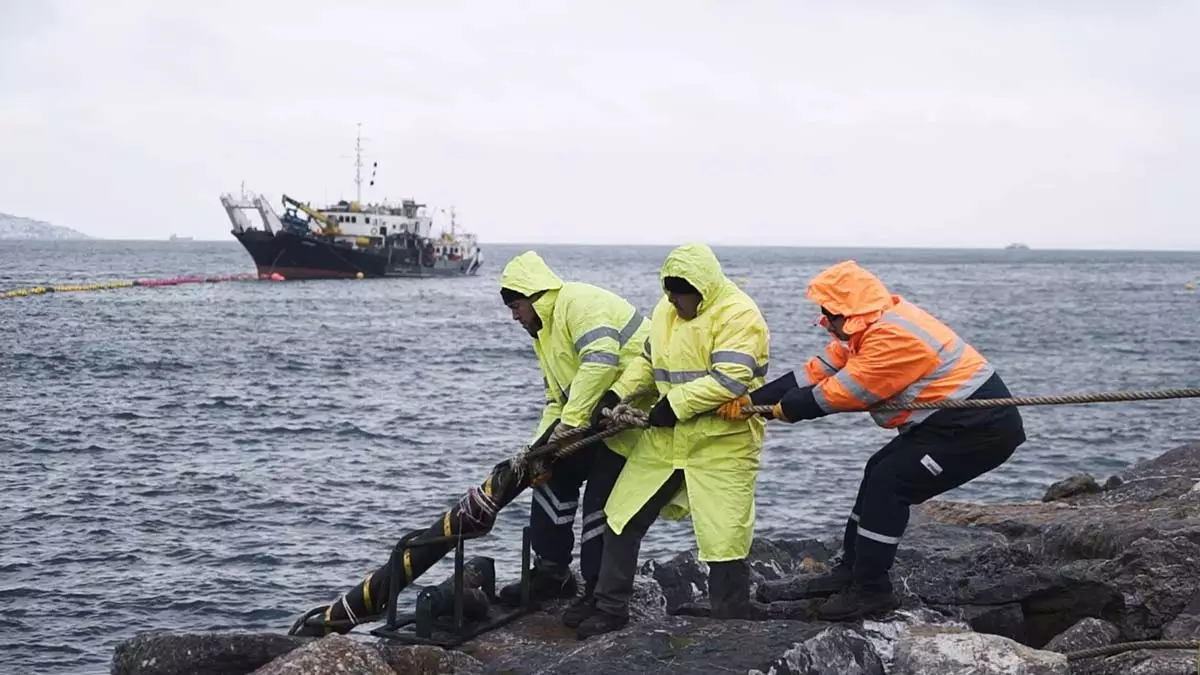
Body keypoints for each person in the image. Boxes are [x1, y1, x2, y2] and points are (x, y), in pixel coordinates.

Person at [718, 259, 1026, 622]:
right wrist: (754, 400)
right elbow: (815, 372)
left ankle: (872, 589)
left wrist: (776, 411)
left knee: (891, 483)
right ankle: (852, 570)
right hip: (948, 423)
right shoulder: (869, 324)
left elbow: (838, 394)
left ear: (844, 313)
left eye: (826, 315)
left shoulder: (891, 337)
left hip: (980, 427)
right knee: (878, 469)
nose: (824, 323)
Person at [574, 243, 770, 638]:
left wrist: (674, 405)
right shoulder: (665, 312)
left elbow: (732, 378)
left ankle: (730, 622)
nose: (674, 301)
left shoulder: (740, 314)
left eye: (682, 294)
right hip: (667, 440)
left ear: (704, 288)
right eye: (670, 292)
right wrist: (616, 395)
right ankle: (611, 607)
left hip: (722, 444)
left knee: (724, 535)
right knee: (622, 514)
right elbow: (647, 362)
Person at [496, 250, 652, 629]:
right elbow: (557, 399)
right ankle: (552, 572)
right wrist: (539, 449)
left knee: (602, 498)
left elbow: (600, 360)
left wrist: (570, 424)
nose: (514, 315)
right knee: (551, 473)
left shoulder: (578, 303)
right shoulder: (544, 332)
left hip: (634, 416)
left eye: (516, 306)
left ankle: (599, 593)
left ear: (534, 298)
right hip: (596, 417)